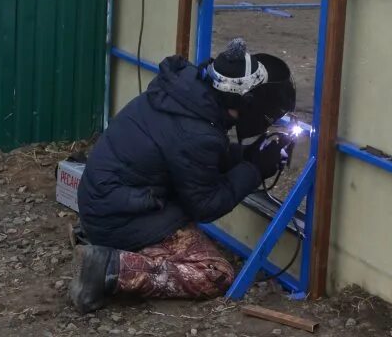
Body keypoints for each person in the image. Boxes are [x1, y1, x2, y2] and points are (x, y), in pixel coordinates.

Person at [70, 38, 296, 313]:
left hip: (107, 201)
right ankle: (110, 268)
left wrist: (247, 156)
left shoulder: (186, 95)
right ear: (243, 100)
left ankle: (107, 243)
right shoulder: (197, 133)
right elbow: (206, 204)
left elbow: (190, 158)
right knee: (215, 273)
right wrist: (255, 169)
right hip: (119, 217)